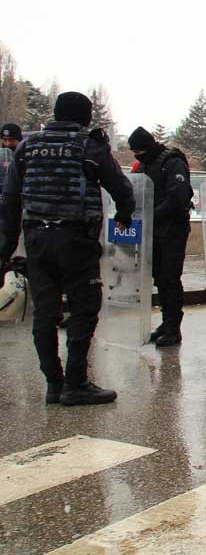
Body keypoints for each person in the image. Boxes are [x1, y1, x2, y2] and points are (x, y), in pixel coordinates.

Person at [0, 91, 135, 405]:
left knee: (45, 313)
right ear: (84, 116)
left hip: (37, 240)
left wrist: (5, 248)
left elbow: (9, 201)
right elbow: (121, 187)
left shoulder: (26, 147)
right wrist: (126, 214)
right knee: (85, 307)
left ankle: (53, 383)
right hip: (76, 240)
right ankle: (75, 383)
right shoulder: (90, 146)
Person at [128, 126, 194, 347]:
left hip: (172, 230)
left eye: (139, 151)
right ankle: (166, 324)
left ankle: (173, 328)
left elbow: (177, 198)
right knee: (159, 278)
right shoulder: (143, 166)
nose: (137, 156)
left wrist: (150, 216)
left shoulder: (172, 162)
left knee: (169, 278)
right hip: (152, 231)